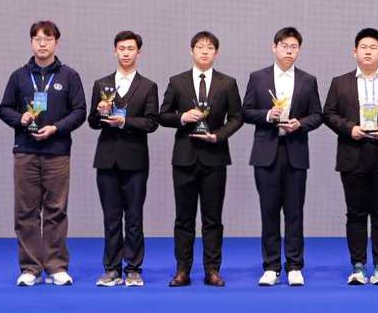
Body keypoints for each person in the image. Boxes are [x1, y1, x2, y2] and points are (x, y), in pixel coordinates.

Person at [0, 20, 86, 287]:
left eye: (48, 39)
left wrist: (56, 128)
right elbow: (4, 108)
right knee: (26, 212)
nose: (43, 44)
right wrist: (20, 119)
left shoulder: (69, 76)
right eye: (38, 39)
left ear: (56, 42)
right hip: (26, 152)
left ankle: (56, 266)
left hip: (57, 152)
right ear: (31, 43)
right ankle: (30, 268)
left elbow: (80, 111)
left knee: (56, 211)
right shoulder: (19, 76)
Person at [323, 28, 378, 286]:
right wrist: (349, 128)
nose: (368, 52)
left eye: (373, 47)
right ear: (354, 52)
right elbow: (328, 113)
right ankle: (358, 266)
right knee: (355, 213)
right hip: (352, 155)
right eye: (363, 47)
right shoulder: (340, 82)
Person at [157, 31, 243, 287]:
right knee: (183, 218)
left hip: (215, 157)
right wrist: (182, 117)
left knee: (212, 218)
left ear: (216, 52)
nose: (204, 51)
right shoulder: (177, 81)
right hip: (184, 157)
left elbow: (237, 117)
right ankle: (182, 270)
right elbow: (163, 115)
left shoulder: (227, 83)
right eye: (200, 47)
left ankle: (212, 270)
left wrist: (218, 136)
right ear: (191, 51)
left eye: (209, 48)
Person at [242, 27, 324, 287]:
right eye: (284, 46)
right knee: (268, 211)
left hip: (295, 151)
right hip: (266, 152)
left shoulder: (308, 80)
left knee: (294, 212)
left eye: (294, 47)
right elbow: (246, 111)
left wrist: (301, 123)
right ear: (274, 47)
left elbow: (317, 115)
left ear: (299, 50)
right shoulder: (258, 78)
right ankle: (271, 266)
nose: (289, 51)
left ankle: (295, 265)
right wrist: (267, 115)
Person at [87, 31, 160, 288]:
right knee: (111, 218)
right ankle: (111, 269)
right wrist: (100, 113)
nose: (126, 53)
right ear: (115, 51)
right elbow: (92, 122)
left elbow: (152, 122)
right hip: (106, 159)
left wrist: (125, 121)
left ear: (138, 52)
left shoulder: (148, 86)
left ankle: (133, 269)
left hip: (135, 160)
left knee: (134, 217)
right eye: (121, 48)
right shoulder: (101, 84)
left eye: (130, 48)